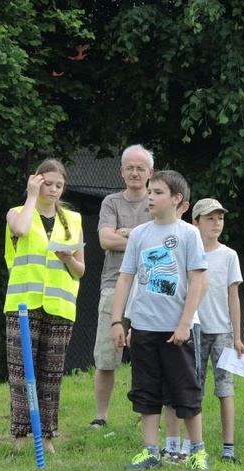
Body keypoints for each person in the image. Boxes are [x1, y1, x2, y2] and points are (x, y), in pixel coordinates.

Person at [110, 170, 210, 471]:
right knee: (146, 389)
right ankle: (151, 451)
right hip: (143, 328)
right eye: (149, 192)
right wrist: (118, 322)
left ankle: (198, 452)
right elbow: (125, 279)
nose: (150, 197)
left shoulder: (188, 234)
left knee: (185, 390)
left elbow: (197, 282)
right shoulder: (139, 234)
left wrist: (184, 323)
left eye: (157, 192)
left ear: (177, 199)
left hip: (176, 330)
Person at [4, 159, 85, 454]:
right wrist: (31, 196)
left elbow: (80, 270)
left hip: (60, 305)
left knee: (51, 374)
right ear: (36, 181)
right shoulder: (17, 212)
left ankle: (48, 437)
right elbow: (22, 230)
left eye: (58, 185)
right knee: (22, 371)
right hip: (23, 304)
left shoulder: (73, 220)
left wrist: (69, 258)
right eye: (47, 183)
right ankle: (20, 436)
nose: (53, 189)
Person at [90, 144, 154, 429]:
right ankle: (100, 417)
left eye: (141, 168)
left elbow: (163, 243)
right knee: (106, 356)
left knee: (147, 354)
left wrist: (125, 236)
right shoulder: (111, 203)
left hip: (152, 287)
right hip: (114, 285)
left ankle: (146, 416)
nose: (135, 173)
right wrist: (142, 240)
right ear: (122, 171)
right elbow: (105, 240)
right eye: (130, 167)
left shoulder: (157, 202)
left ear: (150, 173)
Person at [192, 198, 244, 463]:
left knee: (226, 388)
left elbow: (233, 296)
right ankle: (195, 446)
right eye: (210, 218)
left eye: (220, 218)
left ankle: (229, 447)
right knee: (194, 389)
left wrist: (237, 335)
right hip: (194, 330)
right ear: (196, 222)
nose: (216, 223)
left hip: (222, 331)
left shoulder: (229, 255)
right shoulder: (189, 252)